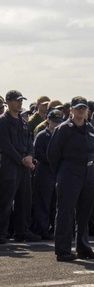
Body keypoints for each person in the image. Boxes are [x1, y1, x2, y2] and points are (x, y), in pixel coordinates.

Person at [47, 97, 94, 261]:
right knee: (65, 211)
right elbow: (52, 155)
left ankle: (83, 247)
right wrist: (63, 173)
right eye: (78, 108)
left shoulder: (91, 129)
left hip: (88, 172)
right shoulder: (64, 129)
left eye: (83, 108)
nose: (81, 111)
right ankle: (63, 250)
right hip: (70, 172)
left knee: (85, 212)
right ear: (71, 110)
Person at [0, 89, 38, 243]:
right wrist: (21, 159)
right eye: (17, 100)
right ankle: (1, 232)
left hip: (24, 166)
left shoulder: (23, 121)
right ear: (8, 102)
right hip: (10, 165)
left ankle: (22, 231)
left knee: (24, 199)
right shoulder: (2, 121)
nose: (20, 102)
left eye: (21, 100)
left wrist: (30, 156)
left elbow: (30, 142)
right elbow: (5, 144)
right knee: (6, 200)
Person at [31, 108, 63, 239]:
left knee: (54, 202)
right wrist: (54, 160)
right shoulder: (42, 135)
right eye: (54, 122)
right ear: (48, 120)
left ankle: (52, 228)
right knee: (43, 202)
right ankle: (41, 229)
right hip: (44, 172)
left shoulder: (61, 136)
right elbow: (38, 153)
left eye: (58, 122)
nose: (56, 124)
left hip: (57, 172)